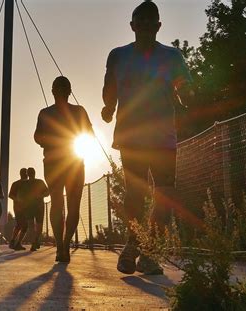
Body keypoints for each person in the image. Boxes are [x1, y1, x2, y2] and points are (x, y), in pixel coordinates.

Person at [102, 0, 193, 274]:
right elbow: (110, 89)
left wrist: (186, 92)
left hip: (164, 138)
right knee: (136, 193)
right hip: (132, 138)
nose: (143, 28)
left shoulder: (172, 57)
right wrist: (108, 107)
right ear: (132, 26)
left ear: (158, 26)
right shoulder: (117, 56)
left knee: (165, 196)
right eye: (139, 23)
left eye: (149, 24)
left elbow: (183, 83)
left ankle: (150, 252)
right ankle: (132, 246)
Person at [34, 76, 93, 263]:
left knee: (57, 202)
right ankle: (65, 244)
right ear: (70, 91)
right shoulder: (79, 111)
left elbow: (37, 137)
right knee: (73, 204)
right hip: (74, 161)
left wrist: (50, 140)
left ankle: (60, 245)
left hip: (52, 162)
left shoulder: (45, 113)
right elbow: (89, 135)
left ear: (53, 91)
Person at [19, 167, 49, 251]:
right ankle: (34, 242)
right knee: (35, 226)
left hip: (33, 207)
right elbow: (47, 192)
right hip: (35, 207)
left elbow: (47, 192)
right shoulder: (37, 182)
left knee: (32, 226)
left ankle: (34, 241)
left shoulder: (37, 182)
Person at [8, 168, 29, 251]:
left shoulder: (28, 184)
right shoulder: (16, 184)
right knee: (21, 224)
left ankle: (16, 242)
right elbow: (10, 195)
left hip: (26, 208)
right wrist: (18, 200)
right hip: (18, 208)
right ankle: (14, 242)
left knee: (23, 225)